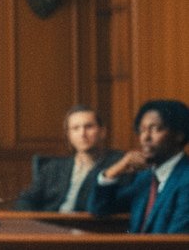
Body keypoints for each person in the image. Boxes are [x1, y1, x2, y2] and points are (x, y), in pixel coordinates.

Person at [88, 98, 189, 233]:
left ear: (179, 135)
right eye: (142, 130)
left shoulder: (186, 179)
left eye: (155, 129)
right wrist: (115, 170)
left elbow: (178, 240)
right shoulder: (145, 177)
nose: (145, 137)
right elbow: (98, 209)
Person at [14, 105, 124, 212]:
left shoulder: (118, 165)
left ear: (102, 132)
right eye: (75, 128)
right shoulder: (53, 168)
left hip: (93, 227)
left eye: (89, 127)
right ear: (69, 135)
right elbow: (25, 200)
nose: (82, 134)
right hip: (51, 226)